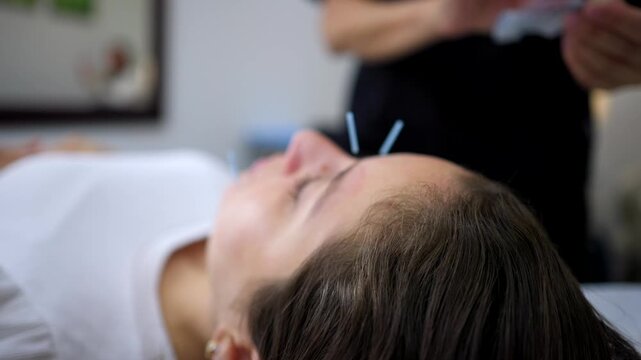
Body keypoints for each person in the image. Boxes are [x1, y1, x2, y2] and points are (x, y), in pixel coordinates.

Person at [0, 131, 639, 359]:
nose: (305, 142)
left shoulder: (30, 329)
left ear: (241, 351)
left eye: (309, 189)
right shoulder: (231, 207)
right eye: (361, 155)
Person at [316, 0, 641, 282]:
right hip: (393, 147)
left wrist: (620, 51)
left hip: (540, 172)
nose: (305, 146)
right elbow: (338, 25)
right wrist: (443, 14)